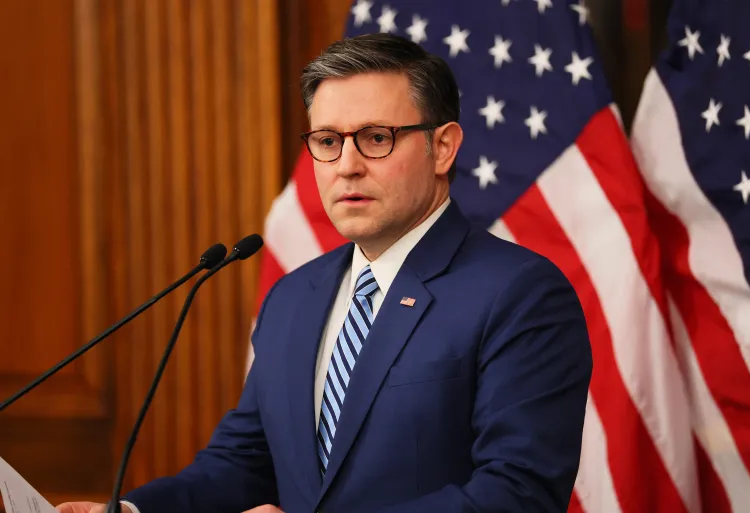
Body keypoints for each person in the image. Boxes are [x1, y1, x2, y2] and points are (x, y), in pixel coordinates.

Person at [57, 33, 592, 513]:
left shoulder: (519, 293)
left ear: (443, 147)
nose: (347, 165)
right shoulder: (295, 295)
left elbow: (517, 493)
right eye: (328, 141)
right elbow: (246, 462)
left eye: (377, 137)